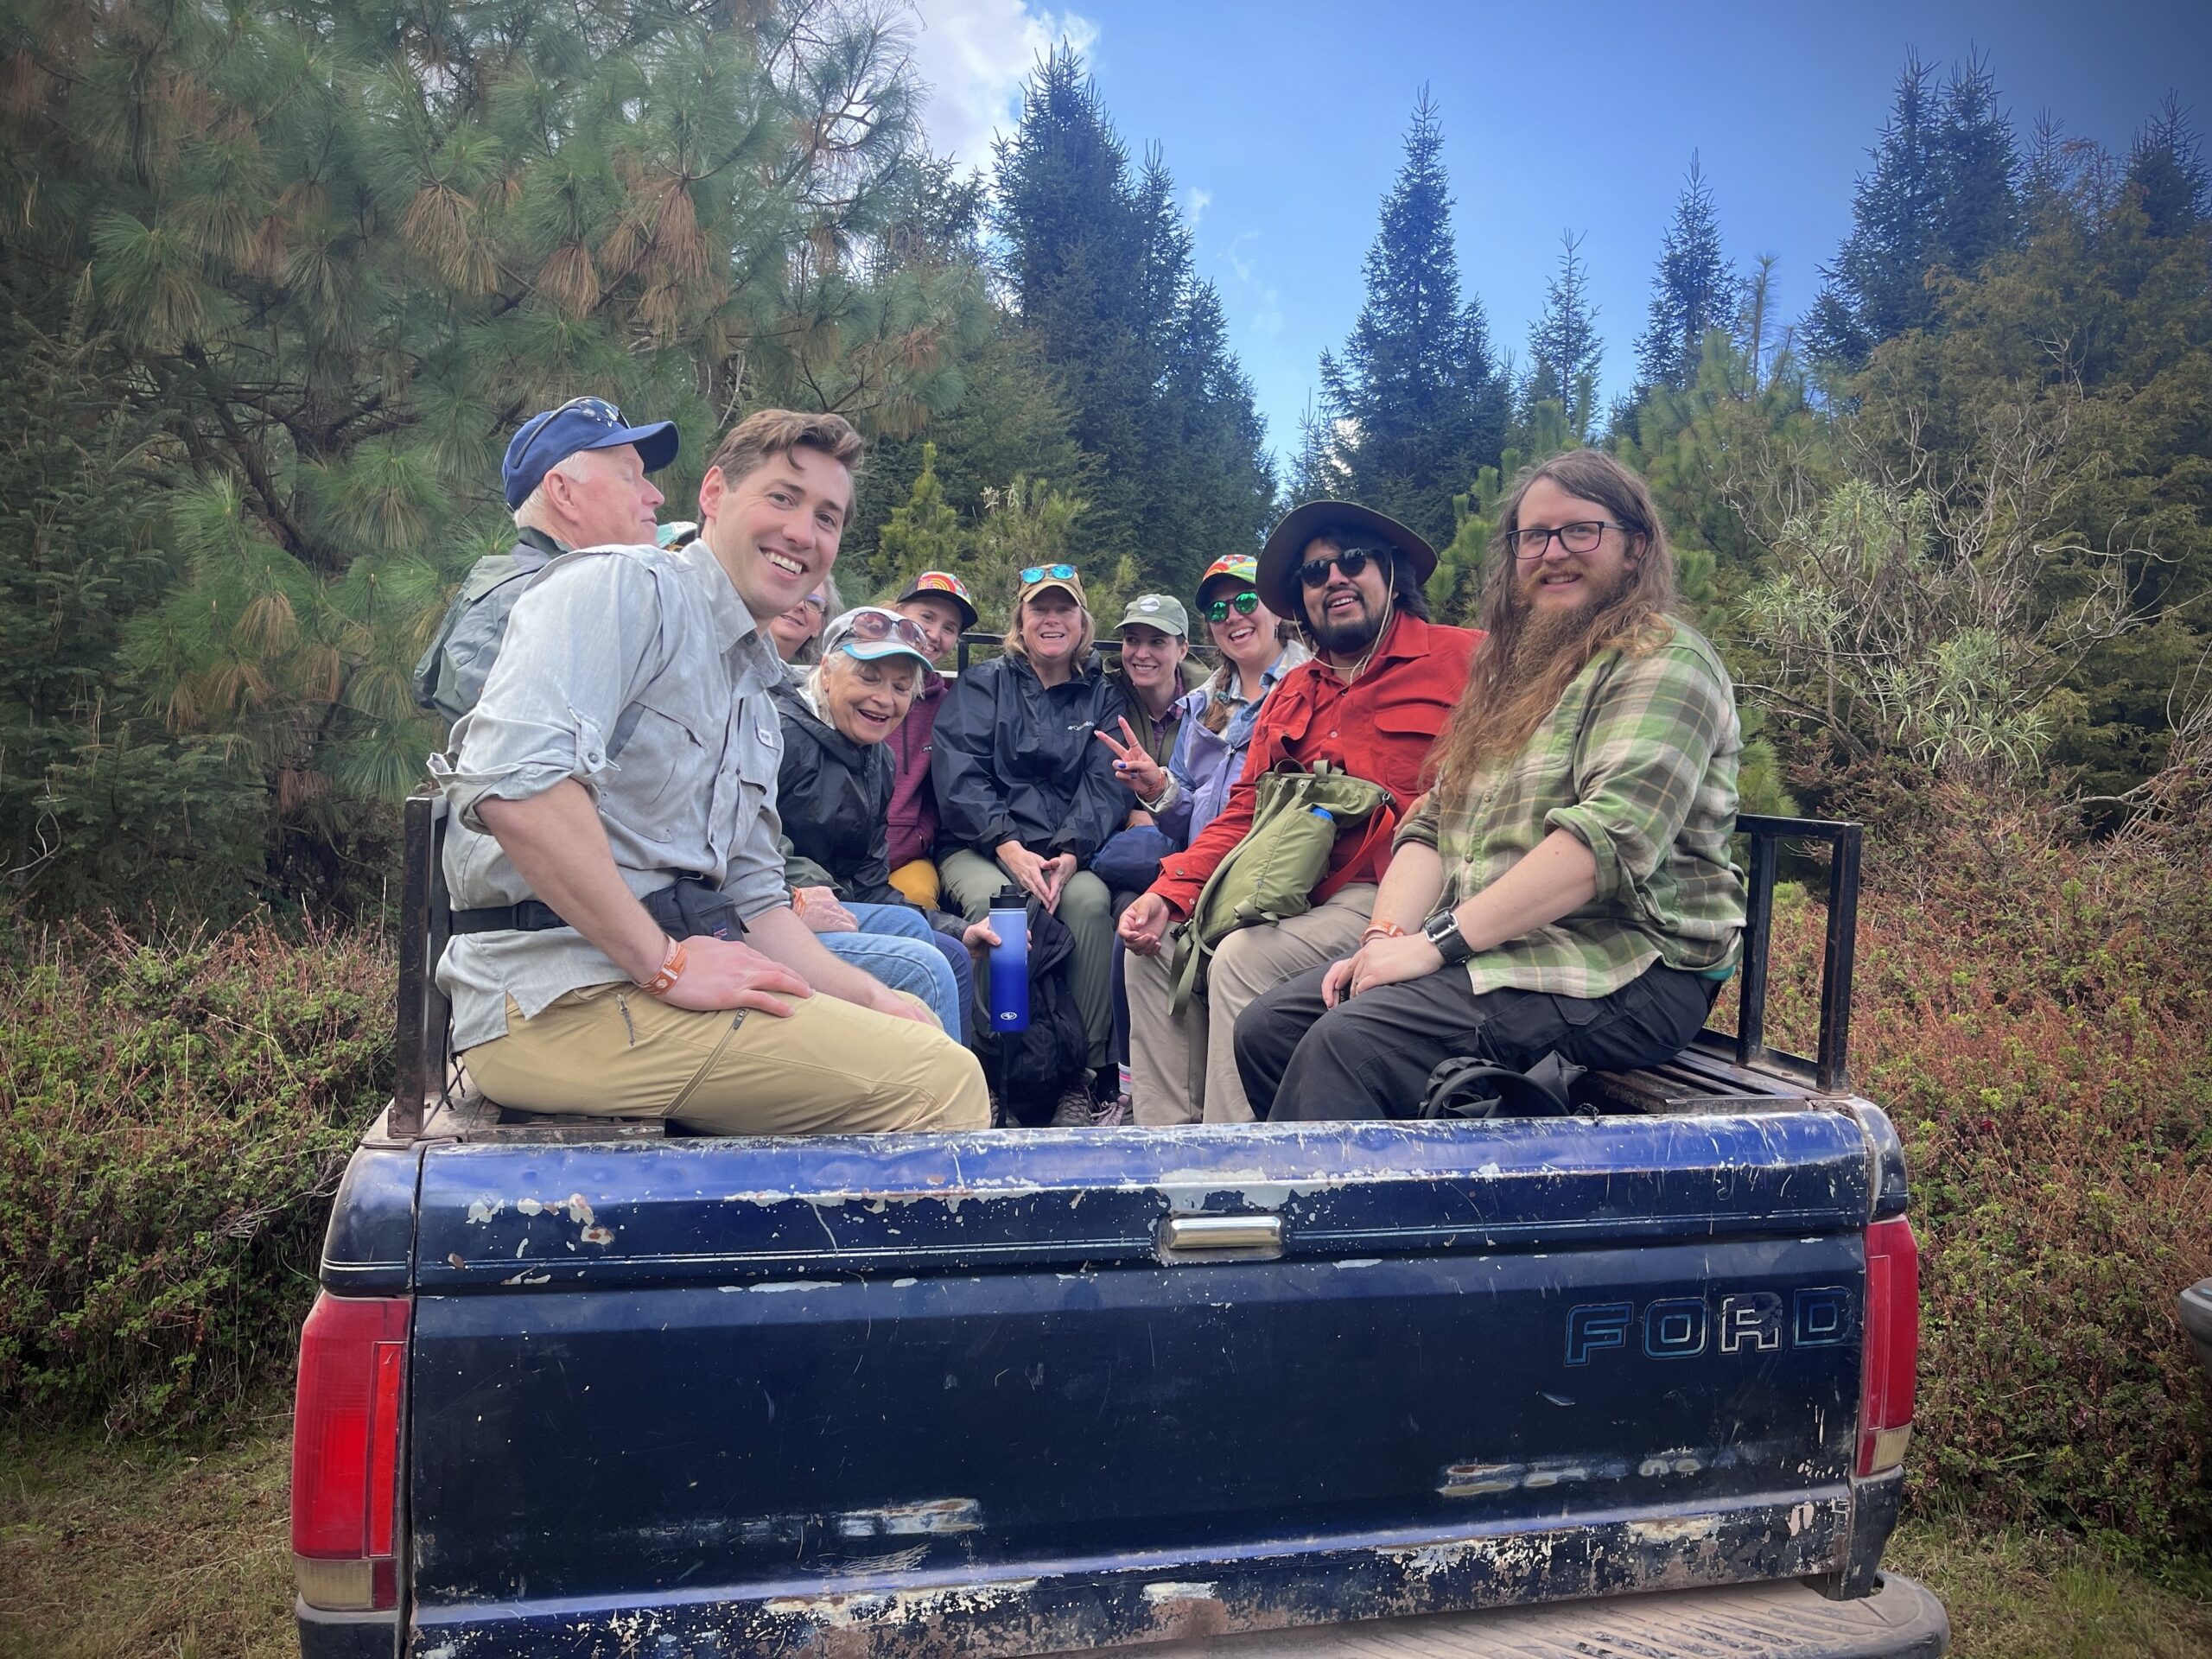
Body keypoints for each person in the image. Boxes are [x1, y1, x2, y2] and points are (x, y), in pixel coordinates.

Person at [428, 408, 988, 1135]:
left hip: (640, 986)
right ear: (715, 494)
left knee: (915, 1029)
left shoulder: (756, 692)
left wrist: (868, 995)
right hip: (553, 998)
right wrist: (664, 963)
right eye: (782, 498)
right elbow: (516, 787)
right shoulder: (625, 588)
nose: (803, 533)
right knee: (942, 1084)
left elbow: (756, 898)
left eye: (828, 517)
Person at [1233, 451, 1746, 1122]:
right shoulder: (1511, 679)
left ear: (1635, 549)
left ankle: (1334, 1220)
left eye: (1579, 531)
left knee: (1348, 1046)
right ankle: (1396, 1201)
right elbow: (1429, 823)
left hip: (1628, 964)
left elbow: (1607, 844)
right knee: (1269, 1027)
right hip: (1507, 948)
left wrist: (1432, 947)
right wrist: (1382, 939)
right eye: (1534, 537)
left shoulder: (1663, 662)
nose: (1553, 553)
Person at [1118, 505, 1481, 1126]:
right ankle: (1172, 1153)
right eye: (1315, 572)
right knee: (1151, 949)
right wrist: (1171, 893)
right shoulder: (1294, 690)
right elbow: (1244, 814)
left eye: (1353, 560)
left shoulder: (1467, 660)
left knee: (1242, 958)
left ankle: (1240, 1179)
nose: (1334, 577)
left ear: (1391, 573)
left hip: (1393, 893)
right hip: (1285, 888)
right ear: (1302, 599)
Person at [1091, 556, 1310, 1114]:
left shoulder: (1313, 684)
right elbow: (1185, 803)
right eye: (1217, 608)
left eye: (1244, 601)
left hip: (1270, 874)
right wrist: (1157, 784)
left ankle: (1223, 1125)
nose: (1231, 616)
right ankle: (1159, 1122)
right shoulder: (1204, 704)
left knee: (1154, 929)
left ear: (1276, 609)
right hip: (1204, 869)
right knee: (1137, 934)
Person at [931, 564, 1128, 1124]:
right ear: (1020, 620)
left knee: (1090, 904)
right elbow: (960, 774)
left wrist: (1070, 852)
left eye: (1064, 608)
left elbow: (1103, 782)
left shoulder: (1101, 697)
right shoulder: (984, 683)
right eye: (1039, 608)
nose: (1051, 619)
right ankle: (998, 1071)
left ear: (1082, 622)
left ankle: (1079, 1075)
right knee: (1006, 911)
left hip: (1066, 851)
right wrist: (1005, 843)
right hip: (980, 844)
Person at [774, 606, 1001, 1044]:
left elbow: (871, 884)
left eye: (901, 687)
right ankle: (945, 1101)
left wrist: (957, 928)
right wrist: (798, 894)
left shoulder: (878, 760)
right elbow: (738, 837)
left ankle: (949, 1089)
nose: (885, 698)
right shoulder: (779, 732)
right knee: (928, 966)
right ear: (825, 672)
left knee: (949, 949)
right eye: (869, 678)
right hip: (762, 912)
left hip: (833, 909)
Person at [414, 397, 677, 725]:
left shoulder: (579, 595)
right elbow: (510, 758)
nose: (656, 496)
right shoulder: (520, 605)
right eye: (628, 476)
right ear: (564, 493)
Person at [883, 571, 980, 911]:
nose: (934, 634)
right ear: (897, 611)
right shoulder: (854, 682)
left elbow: (943, 792)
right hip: (834, 851)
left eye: (950, 628)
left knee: (916, 901)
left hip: (906, 855)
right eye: (926, 617)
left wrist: (917, 836)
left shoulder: (946, 706)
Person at [1104, 595, 1210, 772]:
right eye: (1132, 640)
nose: (1142, 653)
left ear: (1182, 651)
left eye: (1157, 642)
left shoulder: (1210, 704)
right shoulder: (1106, 698)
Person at [766, 572, 845, 672]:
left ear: (819, 626)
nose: (800, 606)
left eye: (813, 602)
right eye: (791, 593)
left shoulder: (803, 685)